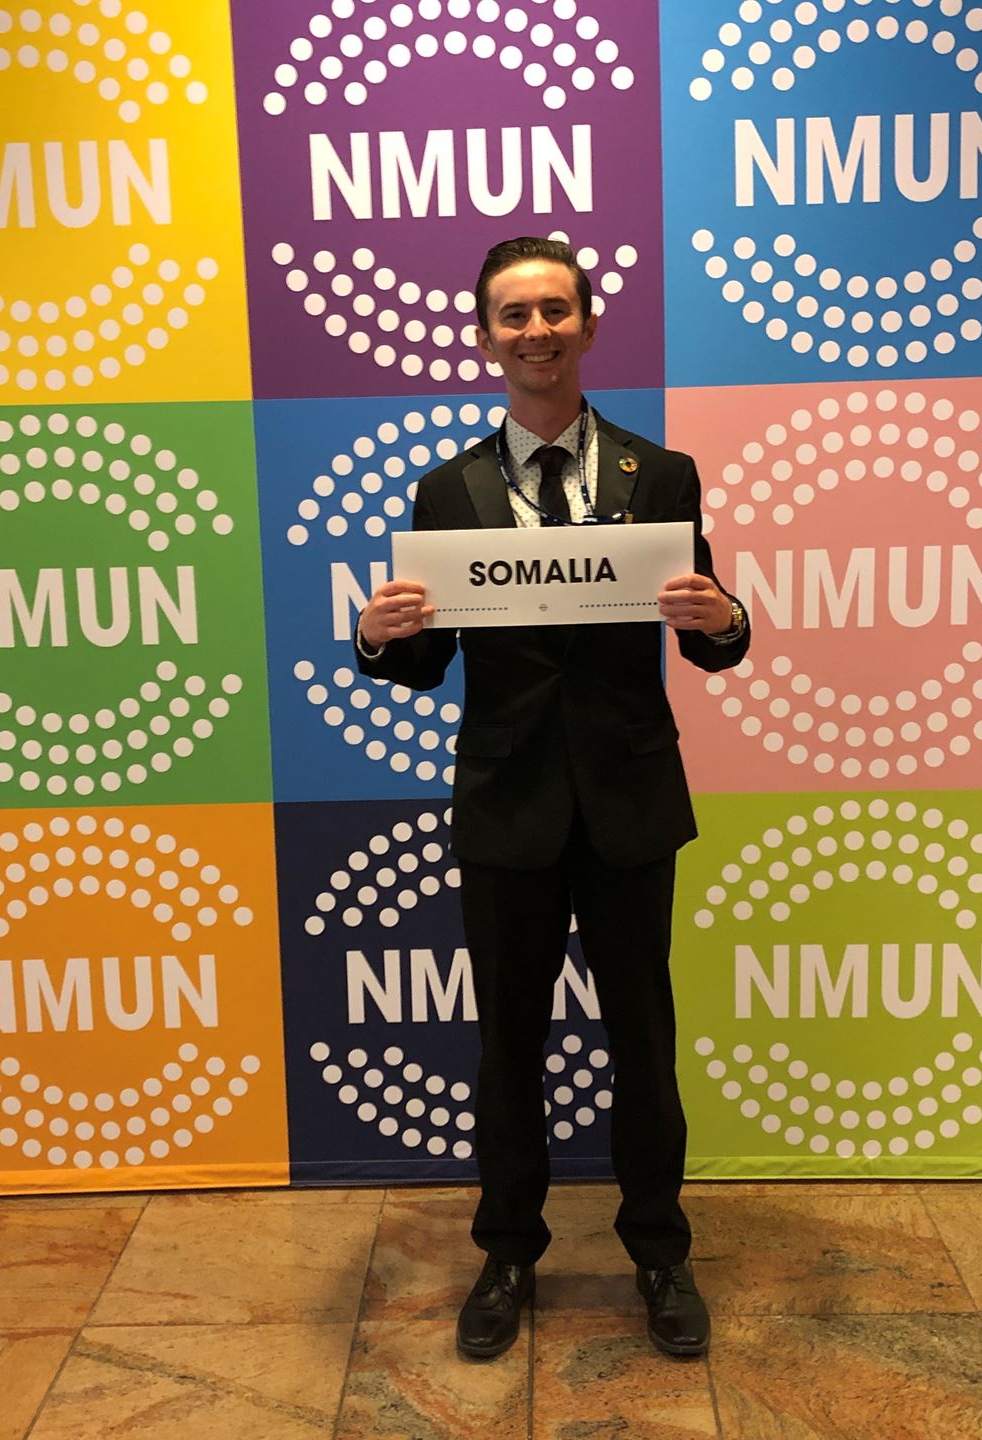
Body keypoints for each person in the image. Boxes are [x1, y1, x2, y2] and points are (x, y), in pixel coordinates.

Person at [355, 236, 752, 1360]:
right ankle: (508, 1252)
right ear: (487, 336)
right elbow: (425, 660)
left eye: (554, 311)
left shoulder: (661, 475)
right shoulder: (449, 491)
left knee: (645, 1042)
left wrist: (726, 619)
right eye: (514, 315)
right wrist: (377, 639)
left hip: (630, 804)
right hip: (506, 806)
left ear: (587, 323)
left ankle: (660, 1252)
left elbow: (710, 635)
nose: (536, 332)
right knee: (509, 1047)